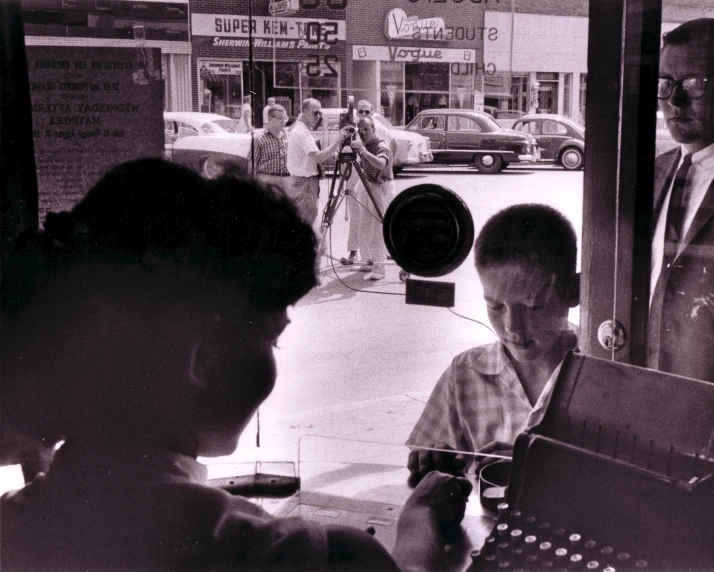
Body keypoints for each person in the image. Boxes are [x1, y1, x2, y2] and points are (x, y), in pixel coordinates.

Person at [0, 158, 472, 571]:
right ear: (201, 358)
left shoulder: (14, 527)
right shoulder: (284, 555)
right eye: (272, 341)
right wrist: (419, 523)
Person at [406, 204, 579, 486]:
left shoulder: (602, 373)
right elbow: (429, 459)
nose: (512, 327)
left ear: (573, 291)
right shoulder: (464, 373)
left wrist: (541, 470)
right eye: (495, 306)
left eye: (533, 306)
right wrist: (434, 463)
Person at [648, 18, 714, 382]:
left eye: (694, 83)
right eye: (666, 83)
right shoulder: (652, 174)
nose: (674, 99)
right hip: (644, 389)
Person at [344, 99, 395, 265]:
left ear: (374, 129)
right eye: (361, 130)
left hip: (380, 186)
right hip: (366, 183)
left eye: (367, 129)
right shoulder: (362, 140)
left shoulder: (381, 144)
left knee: (377, 228)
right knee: (363, 227)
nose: (363, 132)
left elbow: (381, 162)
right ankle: (366, 261)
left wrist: (363, 151)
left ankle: (379, 267)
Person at [286, 97, 351, 226]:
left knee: (305, 221)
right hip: (304, 183)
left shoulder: (302, 129)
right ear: (304, 111)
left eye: (320, 113)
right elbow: (319, 157)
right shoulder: (301, 132)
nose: (318, 117)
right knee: (305, 222)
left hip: (305, 182)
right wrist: (338, 140)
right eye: (315, 113)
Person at [247, 103, 291, 195]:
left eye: (285, 118)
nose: (283, 122)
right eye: (280, 119)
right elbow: (252, 165)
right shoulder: (259, 139)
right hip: (267, 181)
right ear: (270, 119)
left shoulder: (288, 136)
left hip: (287, 181)